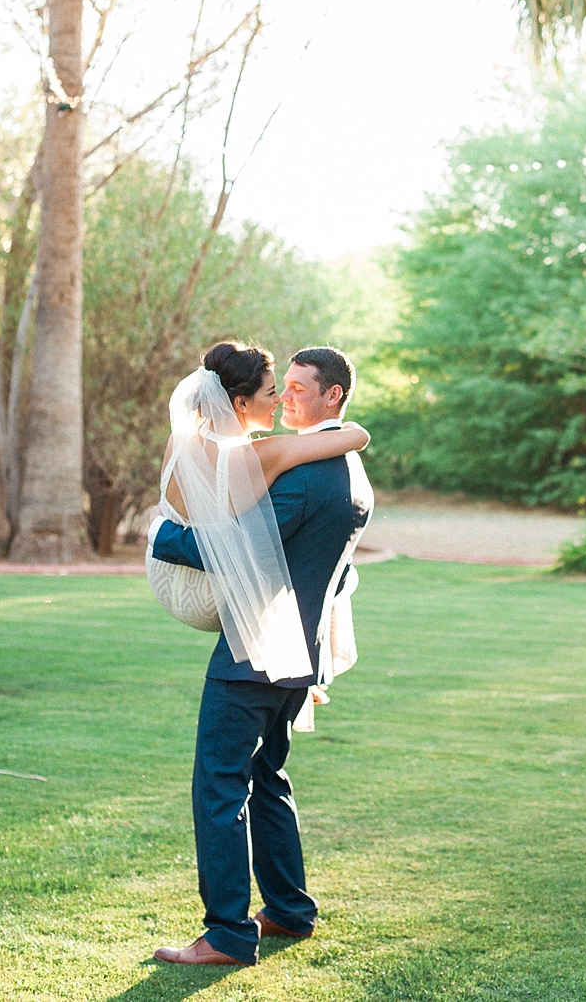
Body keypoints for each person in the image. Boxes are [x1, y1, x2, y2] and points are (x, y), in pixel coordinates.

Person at [149, 342, 374, 967]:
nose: (289, 396)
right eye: (286, 385)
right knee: (267, 780)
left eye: (300, 387)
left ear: (333, 395)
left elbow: (240, 551)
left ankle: (225, 935)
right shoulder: (349, 472)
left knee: (219, 787)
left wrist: (164, 536)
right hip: (296, 660)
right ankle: (289, 910)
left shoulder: (305, 474)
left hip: (253, 656)